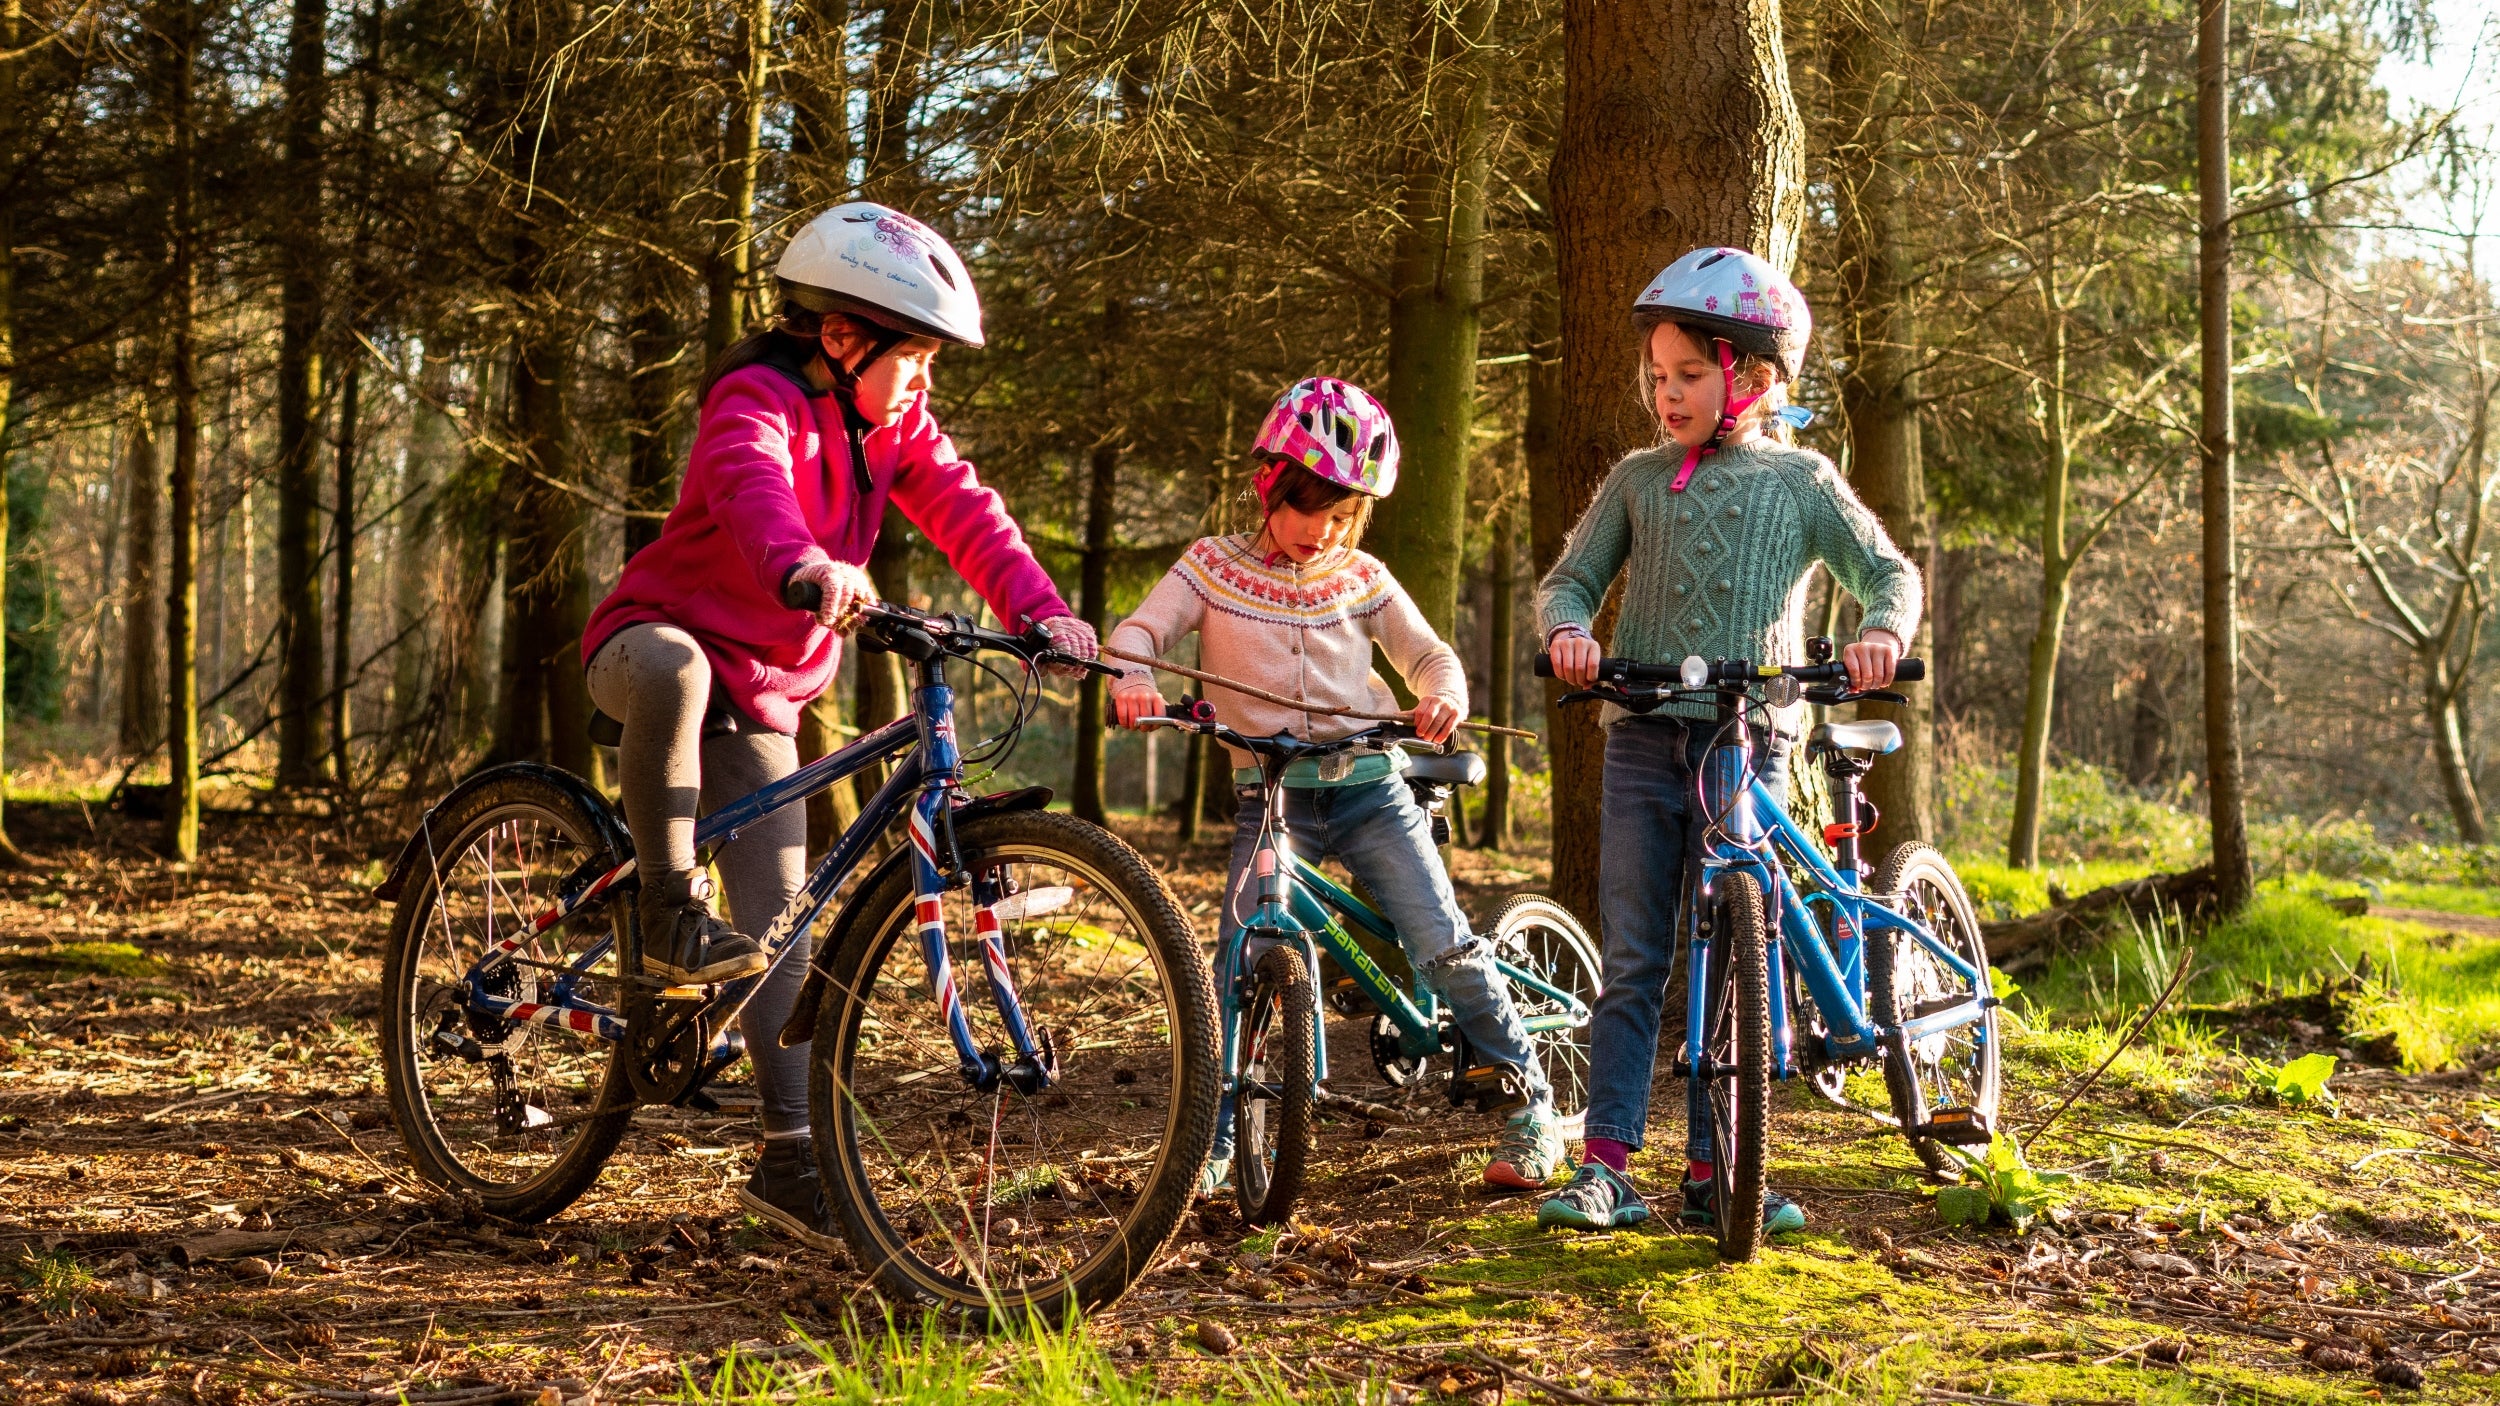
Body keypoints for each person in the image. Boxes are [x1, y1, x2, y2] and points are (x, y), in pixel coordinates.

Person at [579, 202, 1096, 1248]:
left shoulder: (891, 425)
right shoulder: (754, 397)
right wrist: (807, 566)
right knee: (677, 667)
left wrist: (1037, 609)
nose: (926, 381)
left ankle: (791, 1158)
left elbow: (964, 507)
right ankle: (670, 902)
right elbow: (749, 483)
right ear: (842, 336)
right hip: (647, 647)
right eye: (917, 357)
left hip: (761, 699)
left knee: (780, 922)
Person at [1533, 247, 1920, 1234]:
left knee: (1733, 940)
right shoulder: (1635, 479)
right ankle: (1605, 1165)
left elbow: (1889, 576)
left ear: (1751, 376)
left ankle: (1719, 1164)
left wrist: (1880, 634)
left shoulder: (1801, 479)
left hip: (1748, 739)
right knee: (1633, 957)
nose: (1667, 393)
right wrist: (1570, 635)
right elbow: (1568, 584)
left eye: (1688, 374)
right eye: (1657, 375)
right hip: (1640, 740)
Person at [1108, 376, 1566, 1193]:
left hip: (1369, 789)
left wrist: (1443, 695)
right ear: (1267, 487)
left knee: (1441, 942)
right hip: (1270, 796)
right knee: (1238, 956)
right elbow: (1140, 630)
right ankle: (1214, 1140)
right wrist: (1134, 679)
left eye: (1340, 514)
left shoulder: (1365, 578)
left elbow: (1432, 658)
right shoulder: (1210, 567)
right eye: (1305, 506)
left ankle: (1531, 1102)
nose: (1320, 530)